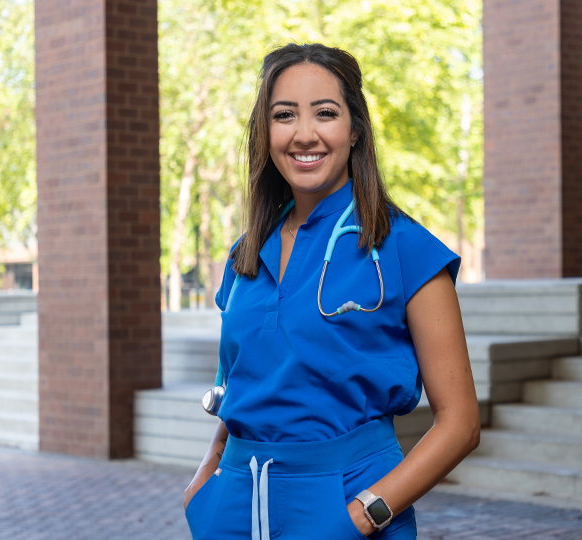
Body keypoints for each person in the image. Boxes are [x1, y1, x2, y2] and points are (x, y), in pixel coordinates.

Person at [182, 43, 480, 540]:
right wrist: (205, 483)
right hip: (232, 508)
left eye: (325, 113)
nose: (304, 134)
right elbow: (243, 385)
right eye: (284, 115)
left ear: (355, 129)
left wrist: (363, 516)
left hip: (343, 508)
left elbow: (461, 424)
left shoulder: (407, 249)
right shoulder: (244, 256)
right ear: (265, 132)